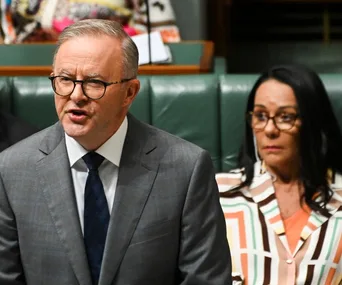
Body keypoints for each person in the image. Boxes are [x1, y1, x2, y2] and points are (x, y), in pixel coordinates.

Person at [0, 19, 232, 285]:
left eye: (94, 83)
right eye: (65, 79)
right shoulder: (11, 171)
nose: (76, 95)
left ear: (129, 93)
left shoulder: (185, 169)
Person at [216, 64, 342, 284]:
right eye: (260, 116)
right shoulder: (219, 194)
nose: (270, 130)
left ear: (312, 122)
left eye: (285, 117)